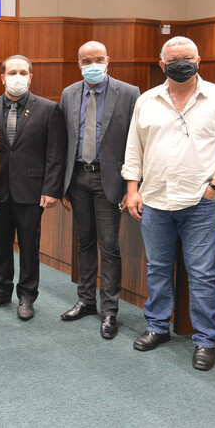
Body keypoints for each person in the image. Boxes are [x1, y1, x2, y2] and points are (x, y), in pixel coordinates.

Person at [122, 36, 215, 371]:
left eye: (188, 58)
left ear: (199, 60)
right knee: (157, 268)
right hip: (155, 201)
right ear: (162, 64)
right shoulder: (147, 100)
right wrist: (132, 189)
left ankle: (205, 340)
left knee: (202, 274)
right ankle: (157, 327)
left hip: (200, 205)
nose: (182, 64)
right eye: (174, 59)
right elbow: (134, 148)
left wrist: (214, 188)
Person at [58, 41, 140, 339]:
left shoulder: (129, 93)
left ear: (108, 60)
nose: (93, 65)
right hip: (78, 178)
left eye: (99, 59)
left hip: (110, 180)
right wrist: (62, 184)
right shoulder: (69, 93)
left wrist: (133, 185)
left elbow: (136, 141)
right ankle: (85, 300)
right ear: (78, 64)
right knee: (84, 242)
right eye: (86, 61)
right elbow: (64, 140)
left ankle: (109, 310)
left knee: (109, 246)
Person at [0, 55, 66, 320]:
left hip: (32, 191)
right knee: (0, 244)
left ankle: (27, 296)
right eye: (12, 72)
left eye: (23, 72)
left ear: (30, 77)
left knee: (29, 246)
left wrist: (51, 189)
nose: (17, 77)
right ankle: (1, 290)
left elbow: (55, 154)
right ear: (2, 77)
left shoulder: (48, 109)